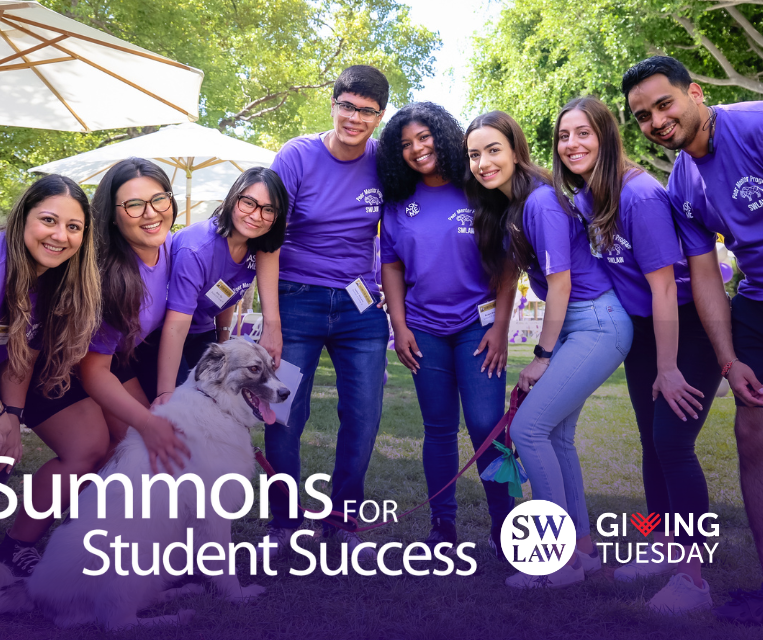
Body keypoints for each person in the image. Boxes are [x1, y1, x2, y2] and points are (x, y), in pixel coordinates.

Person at [554, 95, 721, 612]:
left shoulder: (640, 195)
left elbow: (667, 288)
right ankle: (660, 544)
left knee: (672, 442)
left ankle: (693, 577)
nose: (571, 144)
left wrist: (669, 367)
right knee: (651, 441)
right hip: (643, 331)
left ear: (606, 136)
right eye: (563, 136)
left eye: (583, 133)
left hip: (686, 326)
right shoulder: (587, 198)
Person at [0, 159, 189, 575]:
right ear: (112, 217)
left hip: (111, 362)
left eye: (158, 199)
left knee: (128, 448)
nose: (151, 213)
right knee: (89, 448)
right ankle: (15, 545)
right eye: (134, 205)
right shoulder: (111, 275)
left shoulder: (171, 248)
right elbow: (91, 370)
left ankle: (91, 537)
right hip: (53, 365)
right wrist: (150, 423)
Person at [465, 111, 633, 588]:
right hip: (582, 324)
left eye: (493, 149)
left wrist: (542, 356)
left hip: (596, 322)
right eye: (474, 155)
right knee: (555, 436)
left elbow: (560, 284)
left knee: (529, 428)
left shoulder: (539, 202)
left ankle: (554, 561)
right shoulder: (513, 207)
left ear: (516, 149)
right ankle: (582, 550)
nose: (482, 162)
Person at [622, 56, 763, 623]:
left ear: (696, 93)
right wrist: (728, 361)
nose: (657, 120)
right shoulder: (680, 180)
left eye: (664, 104)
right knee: (750, 435)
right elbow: (705, 274)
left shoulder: (753, 125)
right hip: (754, 298)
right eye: (643, 116)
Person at [0, 174, 99, 639]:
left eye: (74, 227)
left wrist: (11, 420)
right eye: (48, 220)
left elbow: (21, 353)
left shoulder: (46, 276)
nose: (60, 235)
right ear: (21, 218)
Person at [258, 65, 390, 557]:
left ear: (380, 116)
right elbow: (266, 239)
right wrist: (271, 321)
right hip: (296, 299)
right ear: (333, 104)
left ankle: (343, 514)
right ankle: (285, 522)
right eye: (347, 106)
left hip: (360, 306)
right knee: (285, 410)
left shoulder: (385, 160)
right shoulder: (295, 156)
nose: (355, 118)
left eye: (367, 111)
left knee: (364, 412)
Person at [376, 102, 515, 552]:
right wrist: (399, 325)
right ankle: (443, 525)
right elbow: (392, 267)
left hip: (477, 328)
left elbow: (508, 266)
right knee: (437, 428)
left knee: (486, 424)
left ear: (442, 134)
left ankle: (506, 525)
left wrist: (500, 325)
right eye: (406, 144)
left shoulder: (479, 187)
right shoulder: (398, 203)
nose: (417, 149)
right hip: (424, 330)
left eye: (424, 137)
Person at [155, 168, 288, 399]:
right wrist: (165, 393)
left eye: (268, 210)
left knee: (209, 404)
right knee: (178, 404)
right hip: (164, 333)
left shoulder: (255, 246)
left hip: (202, 332)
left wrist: (223, 338)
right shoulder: (196, 249)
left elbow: (227, 293)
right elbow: (175, 327)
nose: (256, 216)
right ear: (232, 198)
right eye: (249, 203)